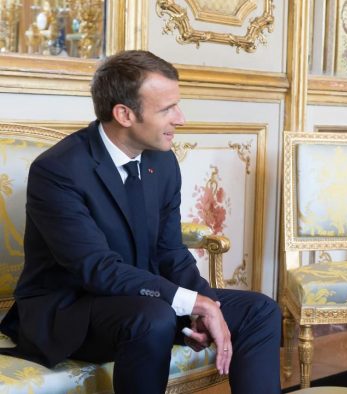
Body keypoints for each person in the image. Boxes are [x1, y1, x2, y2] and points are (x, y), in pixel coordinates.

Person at [0, 50, 281, 394]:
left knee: (260, 310)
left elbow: (171, 253)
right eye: (167, 109)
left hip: (146, 301)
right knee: (154, 318)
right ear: (124, 114)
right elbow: (97, 269)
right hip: (73, 310)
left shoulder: (162, 163)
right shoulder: (58, 171)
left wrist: (207, 306)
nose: (181, 118)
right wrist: (191, 303)